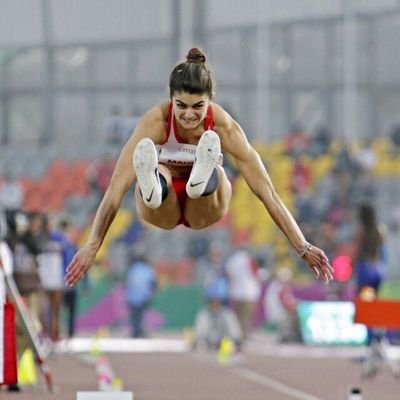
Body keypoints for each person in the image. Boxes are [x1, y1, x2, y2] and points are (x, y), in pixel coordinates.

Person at [65, 47, 334, 287]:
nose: (189, 115)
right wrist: (93, 244)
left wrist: (303, 246)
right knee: (161, 174)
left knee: (218, 174)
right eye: (180, 106)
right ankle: (155, 185)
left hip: (205, 208)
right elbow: (114, 191)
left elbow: (268, 194)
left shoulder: (224, 126)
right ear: (171, 100)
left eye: (198, 107)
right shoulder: (154, 123)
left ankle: (202, 179)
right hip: (162, 209)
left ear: (210, 100)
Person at [124, 253, 157, 338]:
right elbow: (153, 283)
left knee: (134, 316)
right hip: (143, 297)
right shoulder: (148, 269)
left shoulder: (132, 269)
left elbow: (128, 283)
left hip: (132, 297)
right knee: (140, 315)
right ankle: (138, 331)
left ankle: (135, 331)